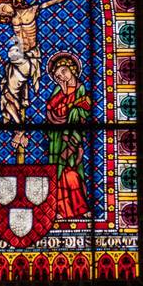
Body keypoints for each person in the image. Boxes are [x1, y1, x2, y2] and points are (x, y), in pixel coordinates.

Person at [46, 53, 91, 218]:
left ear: (72, 70)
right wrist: (63, 92)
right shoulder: (59, 89)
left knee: (72, 173)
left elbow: (83, 111)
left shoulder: (81, 89)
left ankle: (79, 208)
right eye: (58, 76)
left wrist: (73, 110)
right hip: (57, 139)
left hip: (73, 137)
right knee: (58, 172)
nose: (61, 77)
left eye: (64, 71)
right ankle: (59, 208)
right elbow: (51, 110)